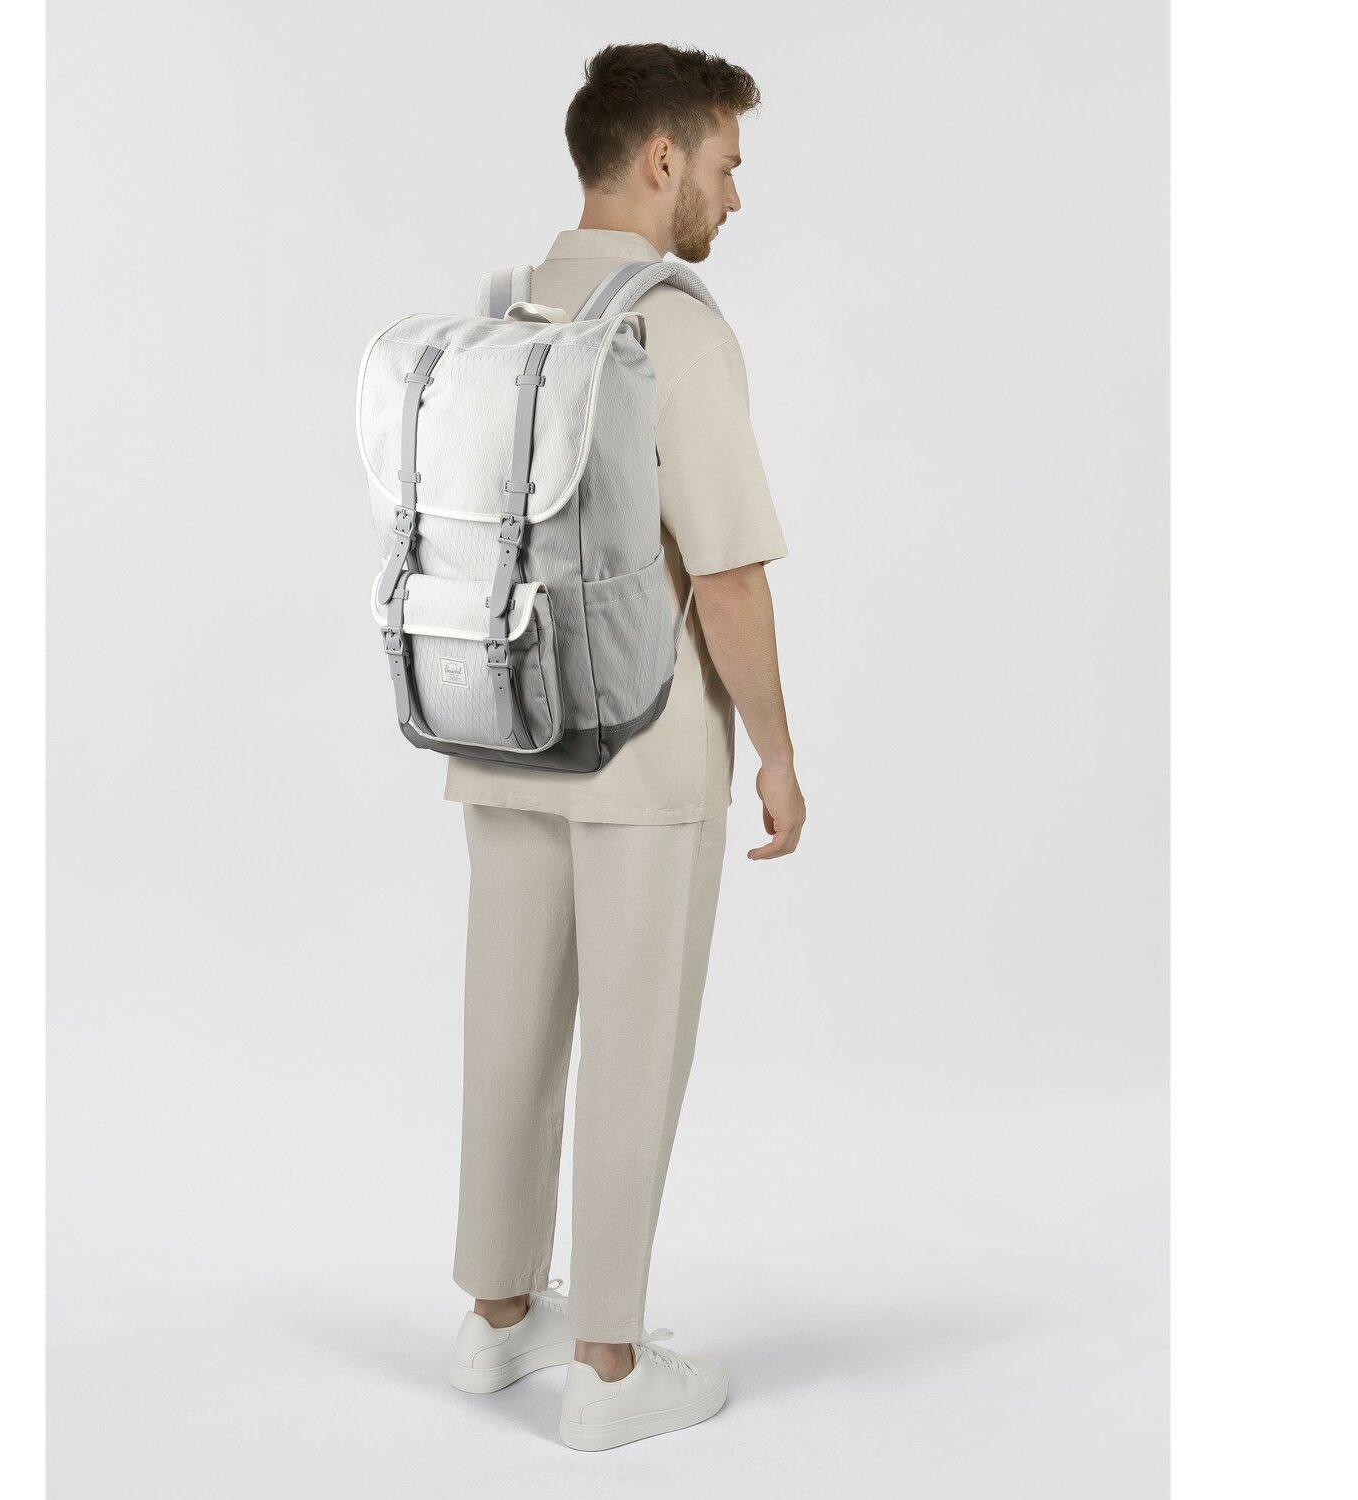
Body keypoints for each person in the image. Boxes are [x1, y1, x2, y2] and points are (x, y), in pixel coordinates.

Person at [444, 42, 806, 1450]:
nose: (734, 197)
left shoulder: (505, 313)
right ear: (662, 159)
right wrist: (775, 752)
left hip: (500, 729)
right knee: (633, 1046)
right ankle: (606, 1366)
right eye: (725, 164)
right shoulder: (673, 328)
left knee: (508, 1033)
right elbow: (730, 577)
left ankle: (496, 1317)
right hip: (643, 754)